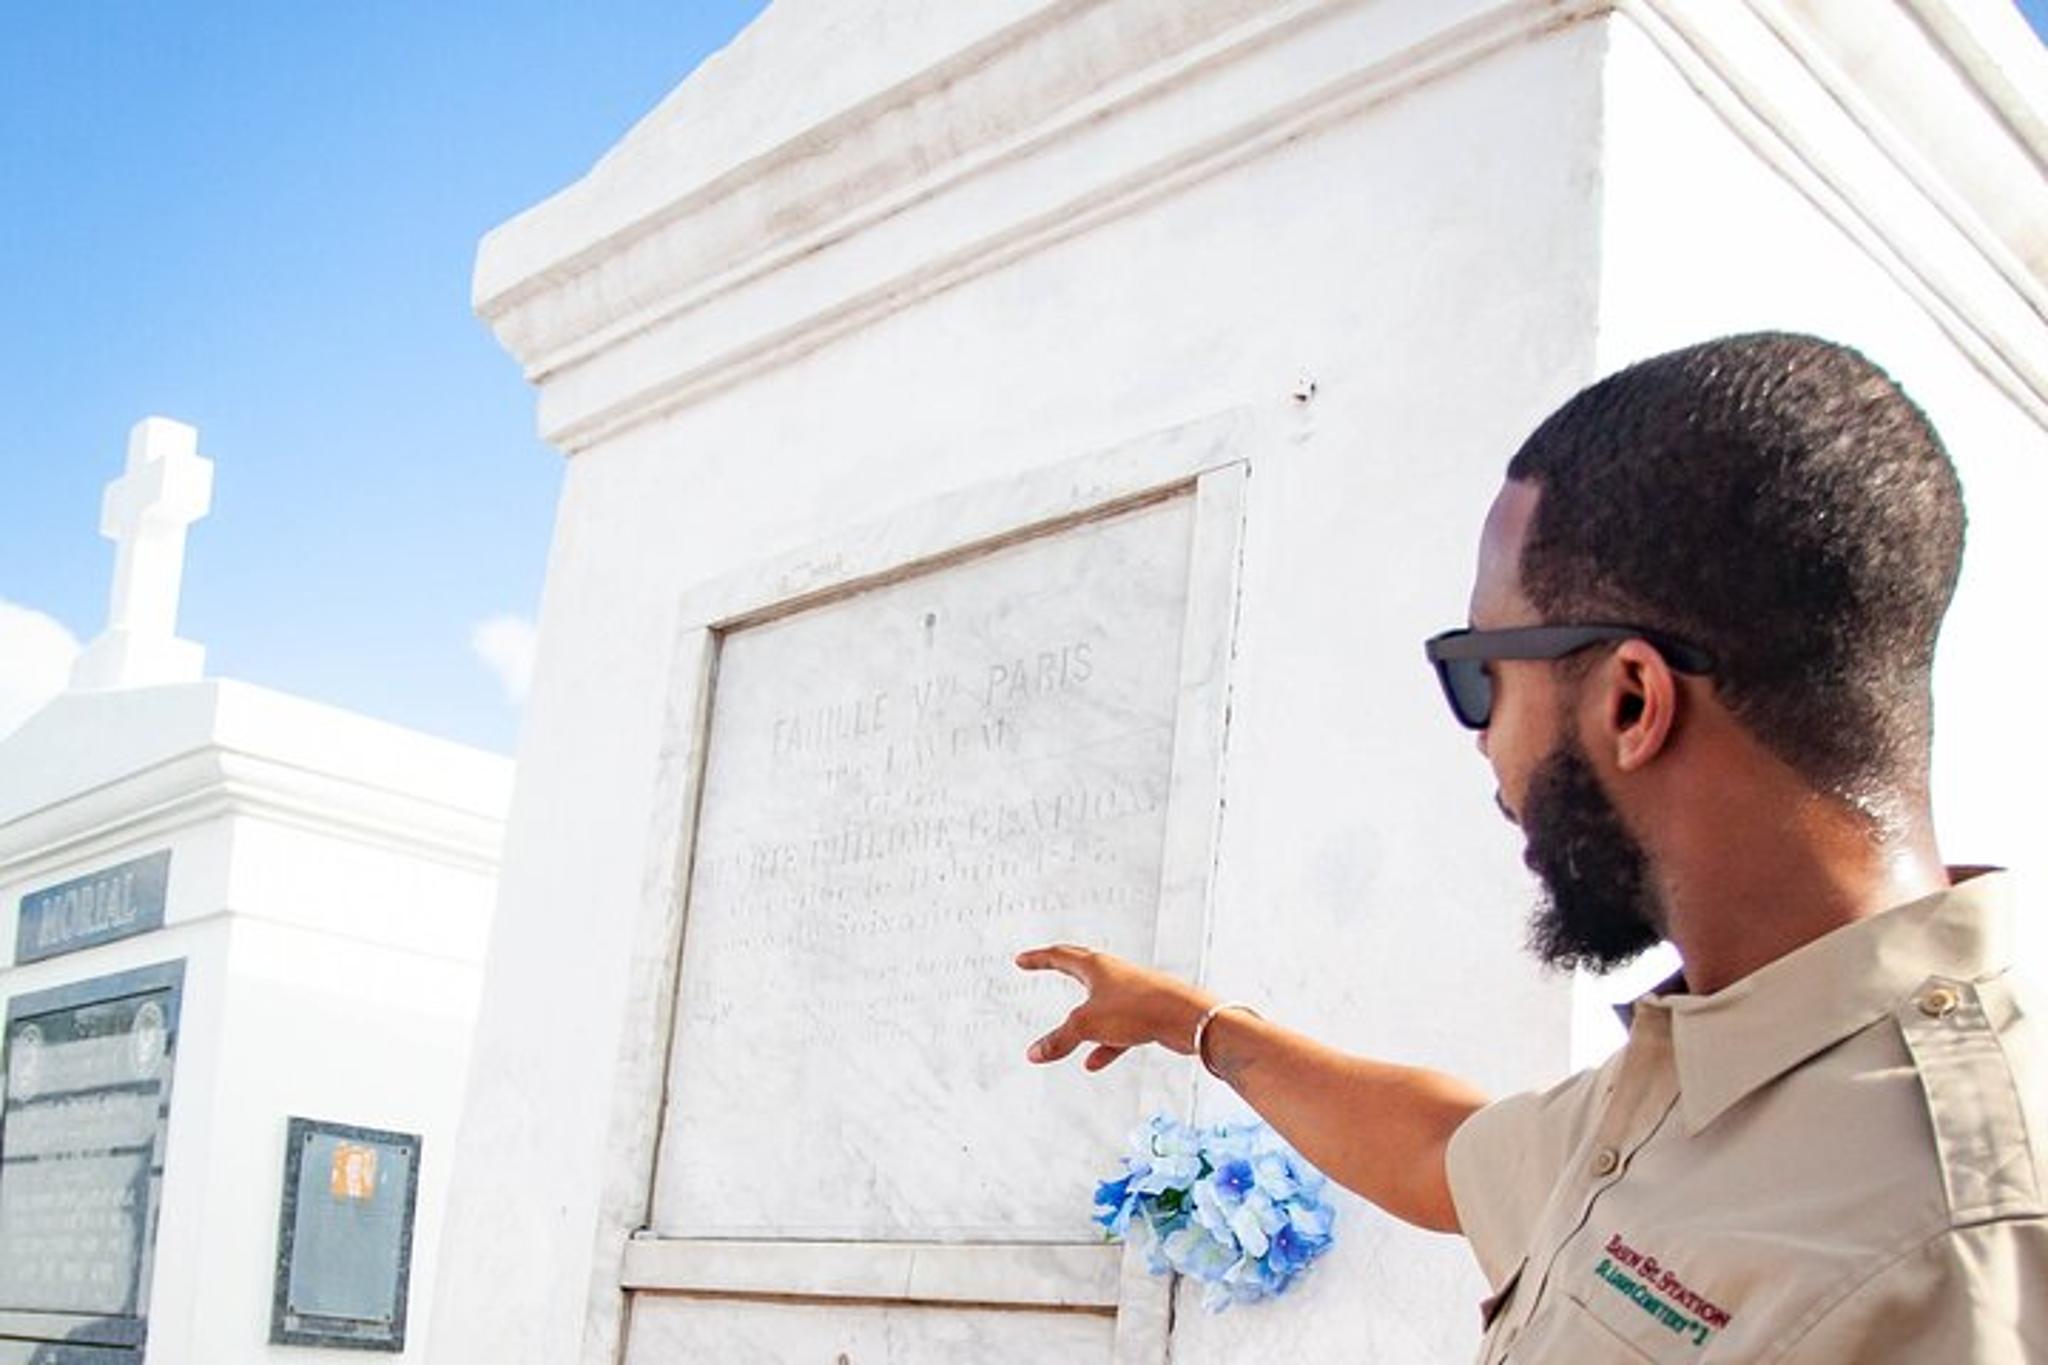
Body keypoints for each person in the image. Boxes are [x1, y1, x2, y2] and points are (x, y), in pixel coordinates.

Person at [1018, 332, 2044, 1360]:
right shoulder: (1728, 1056)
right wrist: (1190, 1023)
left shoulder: (1960, 1249)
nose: (1477, 741)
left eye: (1475, 674)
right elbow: (1445, 1155)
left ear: (1630, 700)